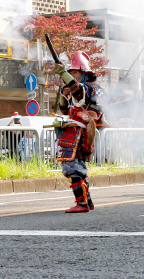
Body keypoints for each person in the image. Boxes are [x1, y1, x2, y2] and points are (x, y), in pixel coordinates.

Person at [53, 51, 102, 213]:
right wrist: (63, 94)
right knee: (76, 166)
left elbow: (79, 90)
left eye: (74, 72)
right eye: (70, 72)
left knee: (72, 166)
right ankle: (87, 202)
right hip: (74, 130)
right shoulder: (75, 90)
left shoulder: (90, 88)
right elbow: (65, 110)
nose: (71, 75)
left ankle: (81, 203)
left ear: (84, 73)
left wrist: (63, 74)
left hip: (80, 131)